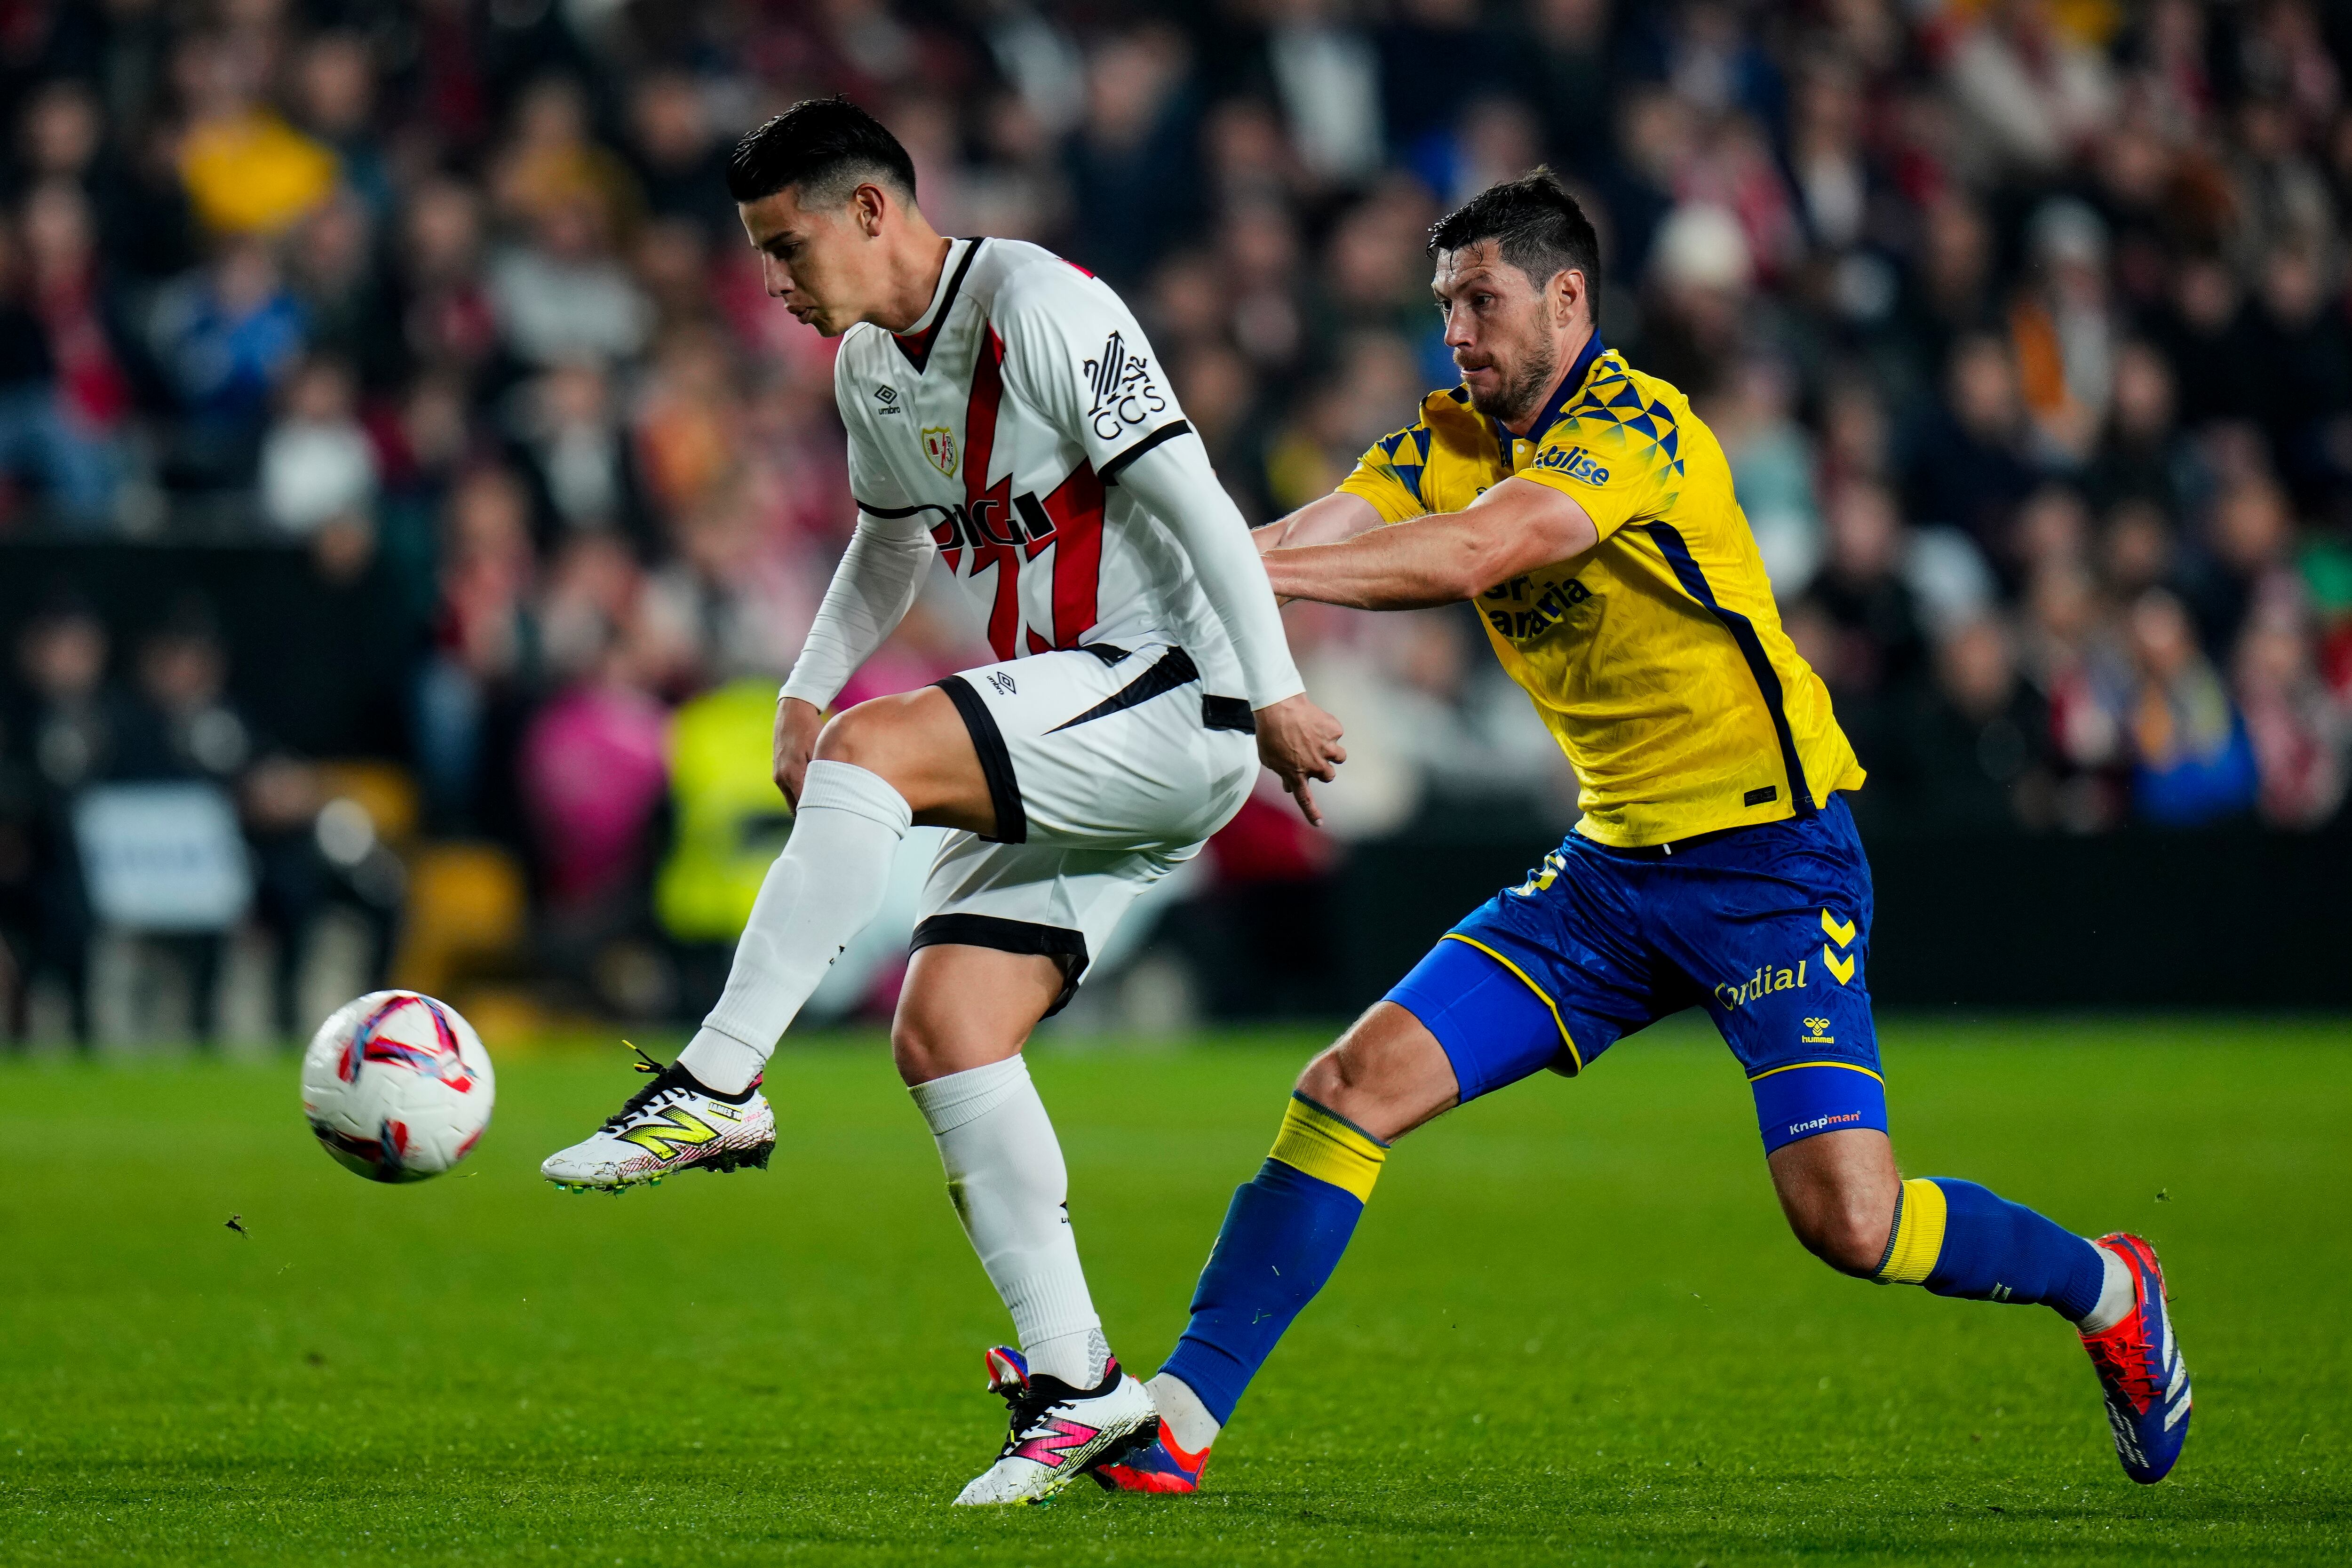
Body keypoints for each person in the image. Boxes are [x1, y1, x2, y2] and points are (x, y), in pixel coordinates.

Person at [1094, 171, 2191, 1497]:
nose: (1461, 332)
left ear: (1569, 297)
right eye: (1446, 303)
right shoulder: (1443, 439)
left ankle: (2109, 1288)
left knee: (1851, 1221)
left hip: (1769, 867)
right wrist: (1178, 568)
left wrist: (1224, 560)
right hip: (1609, 879)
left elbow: (1477, 556)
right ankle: (1179, 1419)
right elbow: (1313, 532)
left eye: (1484, 300)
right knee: (1348, 1086)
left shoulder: (1639, 427)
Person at [537, 99, 1346, 1505]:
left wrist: (1272, 689)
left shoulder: (1041, 305)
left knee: (874, 756)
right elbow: (887, 543)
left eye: (789, 250)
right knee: (946, 1029)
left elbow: (1202, 500)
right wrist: (802, 687)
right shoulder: (870, 368)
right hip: (1096, 719)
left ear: (871, 210)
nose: (777, 287)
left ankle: (716, 1083)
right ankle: (1081, 1383)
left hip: (1173, 691)